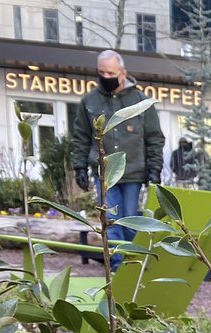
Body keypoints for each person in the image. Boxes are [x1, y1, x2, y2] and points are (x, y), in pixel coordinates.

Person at [71, 49, 164, 262]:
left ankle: (133, 262)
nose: (106, 78)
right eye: (101, 73)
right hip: (104, 173)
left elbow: (154, 137)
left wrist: (154, 168)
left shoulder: (140, 101)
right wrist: (79, 167)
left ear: (123, 72)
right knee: (111, 219)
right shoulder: (89, 101)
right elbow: (81, 136)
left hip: (133, 172)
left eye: (111, 74)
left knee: (130, 220)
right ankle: (116, 266)